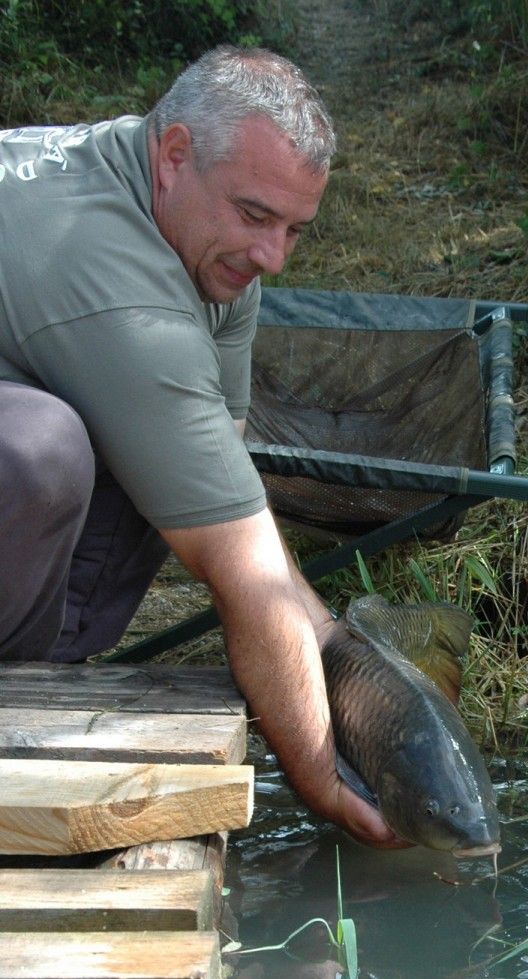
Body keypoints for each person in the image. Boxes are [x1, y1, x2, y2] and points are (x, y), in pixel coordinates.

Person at [0, 45, 403, 848]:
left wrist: (323, 637)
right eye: (254, 216)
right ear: (175, 154)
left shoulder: (205, 247)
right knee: (37, 451)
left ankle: (43, 668)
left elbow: (224, 482)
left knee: (152, 448)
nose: (272, 257)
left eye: (295, 229)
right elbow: (238, 567)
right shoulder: (106, 269)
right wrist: (322, 779)